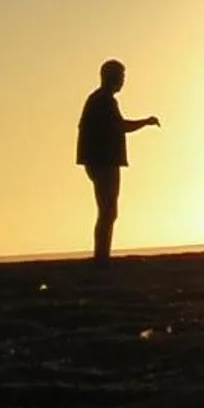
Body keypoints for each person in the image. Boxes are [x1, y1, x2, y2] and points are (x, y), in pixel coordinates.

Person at [76, 59, 160, 262]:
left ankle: (102, 255)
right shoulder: (103, 100)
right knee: (108, 211)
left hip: (100, 161)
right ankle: (101, 257)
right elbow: (120, 126)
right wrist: (146, 122)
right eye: (121, 76)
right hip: (104, 162)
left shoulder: (100, 99)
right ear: (111, 77)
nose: (123, 81)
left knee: (108, 211)